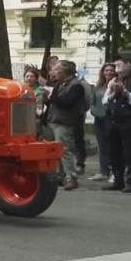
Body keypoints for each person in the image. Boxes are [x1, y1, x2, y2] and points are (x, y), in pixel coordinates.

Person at [103, 54, 131, 193]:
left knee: (130, 152)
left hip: (129, 121)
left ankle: (130, 182)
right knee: (114, 152)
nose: (117, 68)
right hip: (114, 120)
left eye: (120, 64)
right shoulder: (113, 80)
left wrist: (125, 92)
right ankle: (118, 180)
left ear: (129, 65)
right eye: (116, 65)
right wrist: (113, 94)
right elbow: (105, 101)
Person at [45, 60, 86, 190]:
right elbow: (55, 102)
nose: (54, 72)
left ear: (65, 71)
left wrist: (51, 97)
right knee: (56, 151)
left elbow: (68, 103)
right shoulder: (60, 84)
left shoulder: (75, 85)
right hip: (54, 121)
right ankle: (60, 176)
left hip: (65, 122)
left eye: (57, 69)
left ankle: (71, 178)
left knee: (65, 150)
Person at [88, 62, 116, 183]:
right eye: (106, 70)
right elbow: (92, 102)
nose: (108, 72)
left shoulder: (115, 85)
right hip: (99, 119)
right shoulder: (98, 86)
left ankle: (114, 171)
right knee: (102, 145)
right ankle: (103, 170)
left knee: (112, 146)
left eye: (111, 70)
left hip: (111, 118)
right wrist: (94, 112)